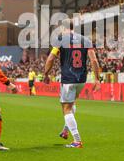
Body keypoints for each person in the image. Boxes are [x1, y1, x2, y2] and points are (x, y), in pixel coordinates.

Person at [43, 19, 101, 148]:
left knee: (66, 108)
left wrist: (46, 74)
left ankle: (77, 140)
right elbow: (94, 61)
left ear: (63, 28)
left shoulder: (60, 39)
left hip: (68, 79)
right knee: (71, 104)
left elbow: (51, 58)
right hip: (81, 79)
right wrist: (97, 79)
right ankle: (65, 130)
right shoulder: (85, 40)